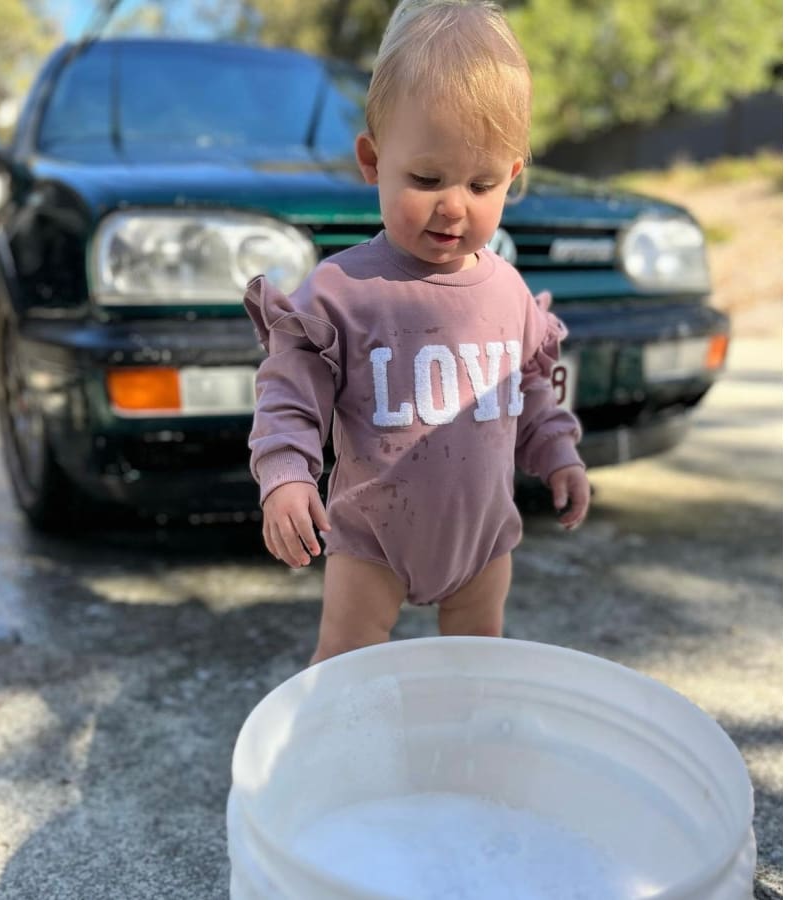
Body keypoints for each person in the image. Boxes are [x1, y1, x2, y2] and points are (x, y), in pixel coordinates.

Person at [243, 0, 591, 664]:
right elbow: (289, 395)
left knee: (475, 662)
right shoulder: (343, 291)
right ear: (373, 160)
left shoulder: (509, 293)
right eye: (426, 178)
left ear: (512, 176)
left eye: (482, 183)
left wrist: (559, 453)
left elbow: (534, 393)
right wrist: (286, 475)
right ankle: (340, 761)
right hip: (373, 536)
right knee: (346, 656)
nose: (453, 204)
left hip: (482, 538)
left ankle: (459, 758)